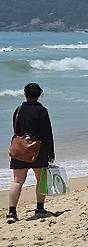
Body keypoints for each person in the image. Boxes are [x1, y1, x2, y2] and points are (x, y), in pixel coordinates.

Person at [7, 83, 55, 224]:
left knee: (17, 181)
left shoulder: (18, 110)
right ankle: (40, 209)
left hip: (19, 149)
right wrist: (51, 153)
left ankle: (12, 212)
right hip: (38, 149)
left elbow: (16, 129)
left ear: (25, 94)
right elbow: (47, 134)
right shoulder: (42, 111)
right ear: (39, 94)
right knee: (41, 180)